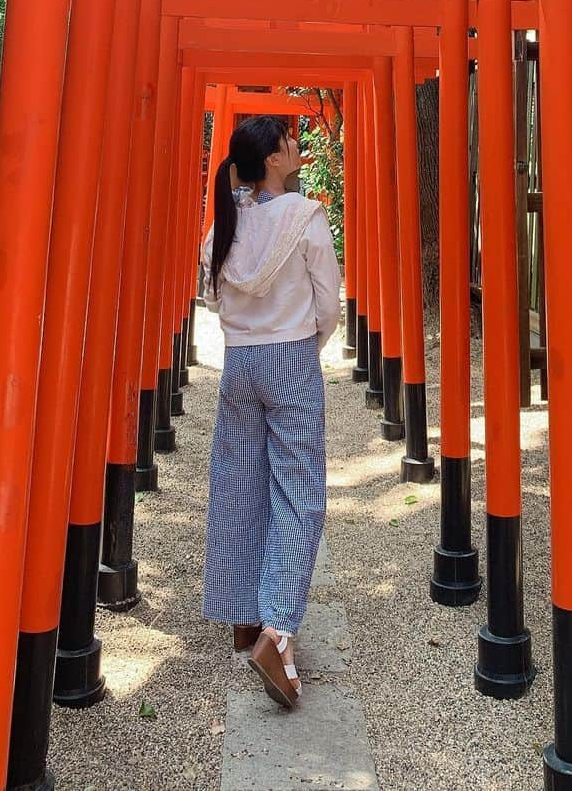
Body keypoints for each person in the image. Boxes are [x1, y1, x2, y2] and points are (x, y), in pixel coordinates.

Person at [201, 115, 342, 709]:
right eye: (288, 138)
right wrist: (306, 349)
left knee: (240, 485)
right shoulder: (304, 217)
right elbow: (329, 302)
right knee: (299, 492)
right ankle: (279, 632)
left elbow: (212, 298)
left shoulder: (223, 228)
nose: (296, 143)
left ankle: (244, 612)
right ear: (274, 159)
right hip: (290, 357)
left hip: (239, 363)